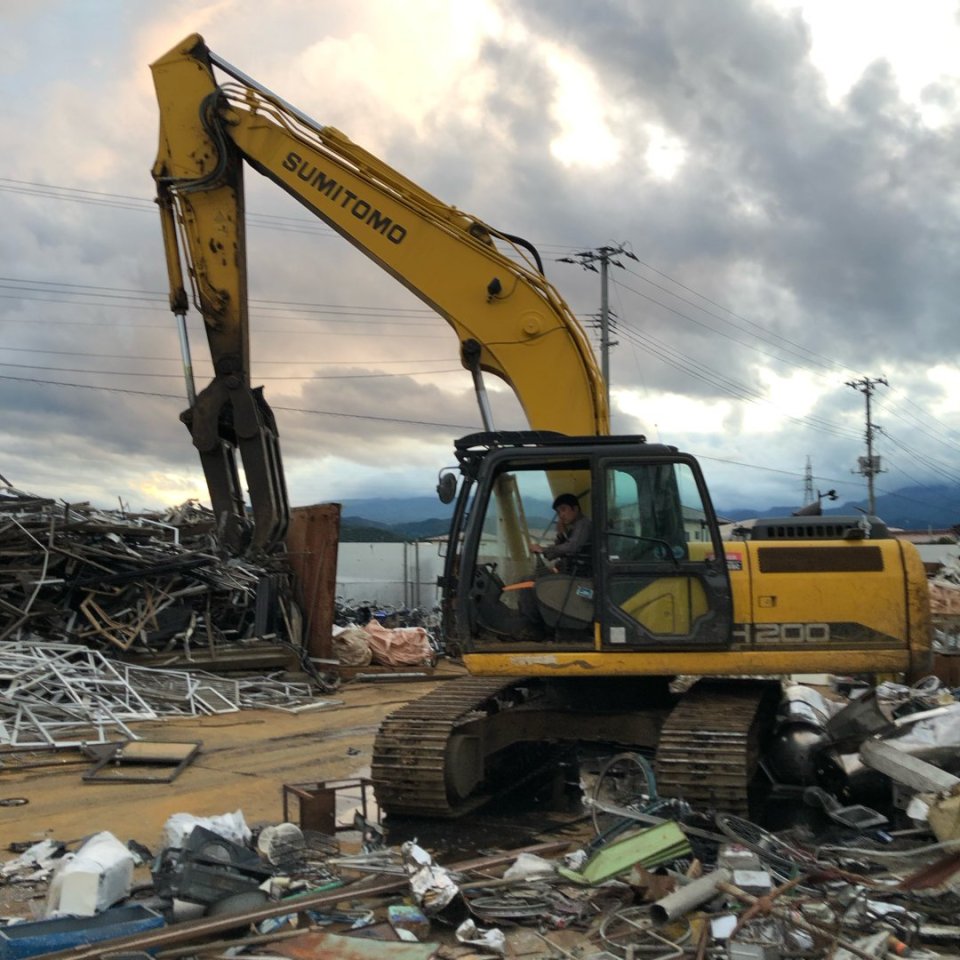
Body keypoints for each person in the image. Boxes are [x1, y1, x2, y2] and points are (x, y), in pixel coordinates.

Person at [531, 493, 592, 575]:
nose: (561, 515)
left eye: (563, 510)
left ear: (575, 509)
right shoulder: (573, 528)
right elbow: (559, 551)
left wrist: (543, 549)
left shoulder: (583, 524)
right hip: (572, 571)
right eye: (559, 512)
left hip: (581, 573)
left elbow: (572, 547)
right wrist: (561, 533)